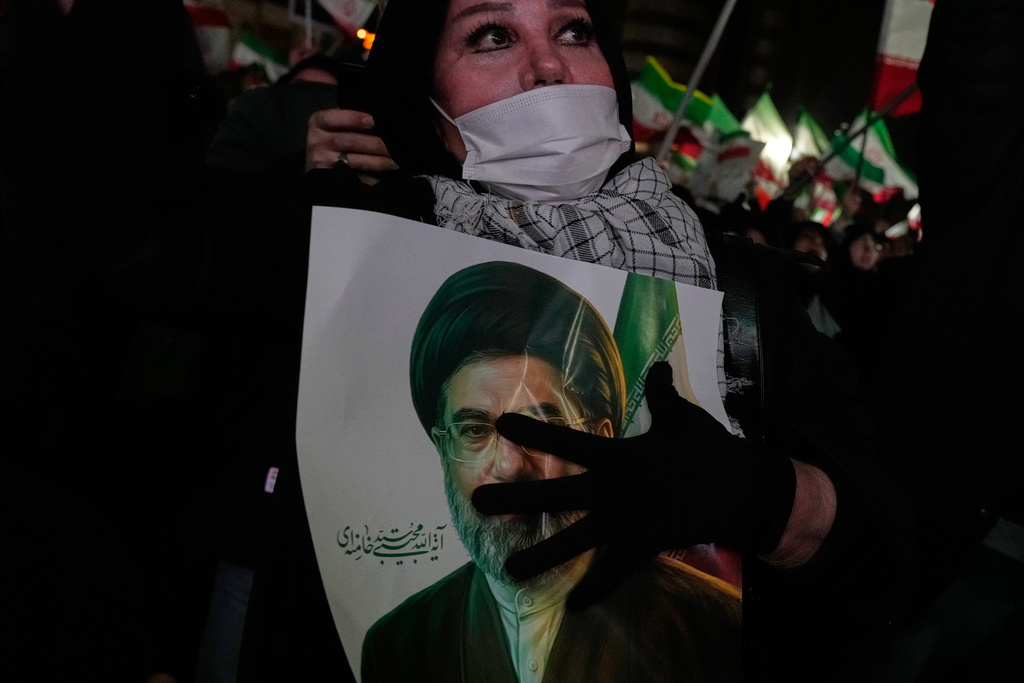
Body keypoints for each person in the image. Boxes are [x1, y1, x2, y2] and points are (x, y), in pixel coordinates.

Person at [239, 1, 914, 681]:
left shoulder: (741, 291)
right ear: (423, 99)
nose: (549, 65)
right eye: (492, 35)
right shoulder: (358, 266)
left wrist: (761, 497)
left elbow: (886, 554)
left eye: (573, 30)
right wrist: (296, 191)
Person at [362, 261, 742, 683]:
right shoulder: (398, 645)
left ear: (600, 443)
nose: (508, 466)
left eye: (540, 430)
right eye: (473, 430)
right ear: (442, 448)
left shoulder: (711, 625)